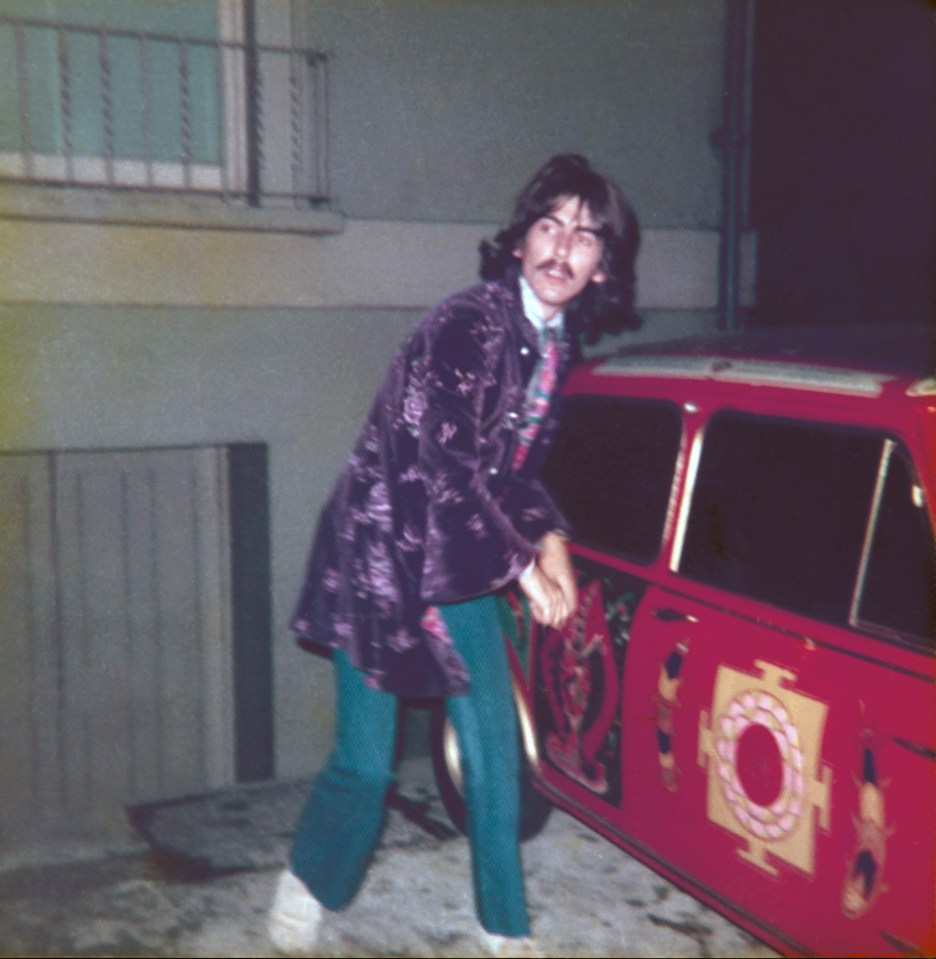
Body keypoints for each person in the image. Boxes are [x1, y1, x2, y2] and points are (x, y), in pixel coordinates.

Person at [267, 154, 640, 957]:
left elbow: (517, 473)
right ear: (517, 241)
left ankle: (503, 930)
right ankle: (305, 884)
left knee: (495, 754)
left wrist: (555, 541)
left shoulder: (552, 344)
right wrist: (524, 565)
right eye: (549, 225)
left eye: (584, 237)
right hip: (380, 560)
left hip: (461, 559)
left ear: (603, 266)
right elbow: (447, 472)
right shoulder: (468, 324)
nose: (561, 248)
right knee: (367, 770)